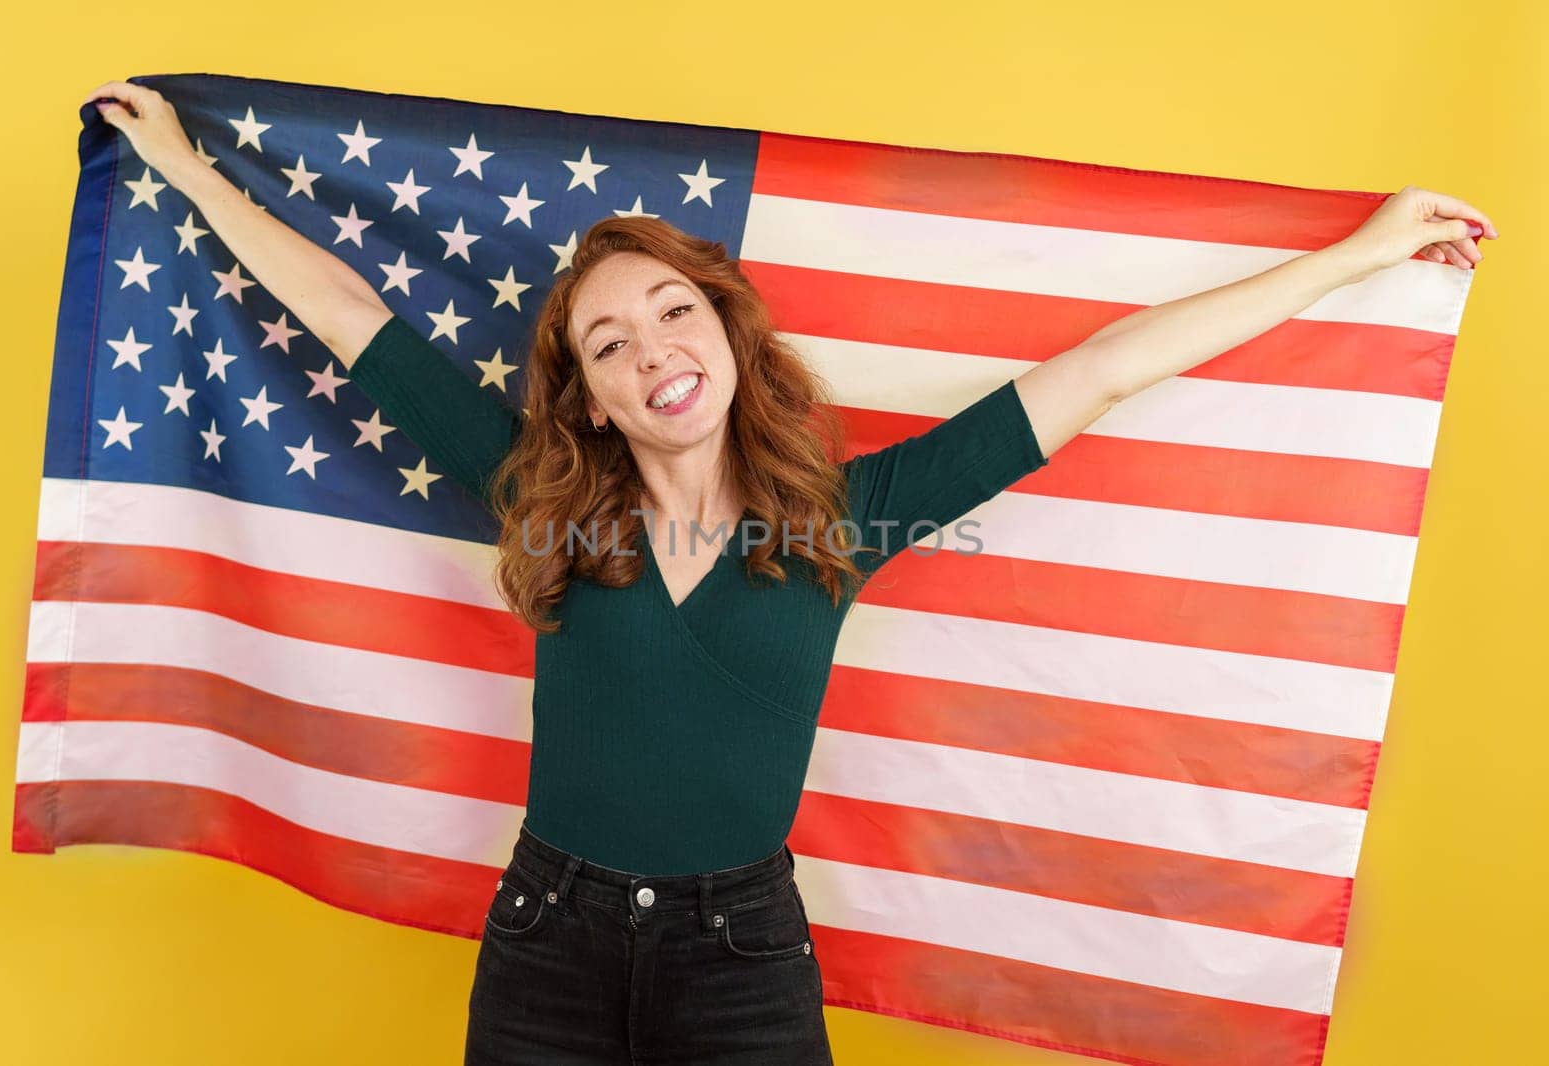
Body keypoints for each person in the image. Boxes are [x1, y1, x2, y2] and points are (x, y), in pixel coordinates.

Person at [80, 78, 1497, 1066]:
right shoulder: (541, 493)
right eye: (608, 345)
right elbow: (349, 314)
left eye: (671, 311)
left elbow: (1105, 369)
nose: (650, 350)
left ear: (730, 332)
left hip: (741, 953)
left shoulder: (852, 517)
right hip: (546, 943)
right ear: (587, 399)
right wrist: (185, 169)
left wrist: (1356, 255)